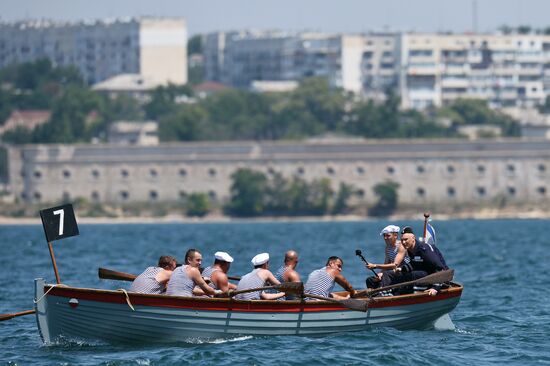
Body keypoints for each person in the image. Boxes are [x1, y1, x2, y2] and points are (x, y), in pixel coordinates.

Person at [380, 227, 448, 296]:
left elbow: (440, 268)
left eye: (406, 240)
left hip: (438, 279)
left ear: (413, 238)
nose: (403, 242)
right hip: (423, 274)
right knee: (389, 273)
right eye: (402, 240)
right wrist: (401, 269)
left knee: (414, 274)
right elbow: (414, 264)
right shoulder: (410, 249)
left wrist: (435, 288)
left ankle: (410, 294)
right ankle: (385, 293)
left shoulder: (424, 249)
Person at [365, 225, 410, 289]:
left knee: (387, 274)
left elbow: (395, 265)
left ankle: (383, 292)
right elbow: (386, 264)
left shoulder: (401, 246)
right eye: (384, 236)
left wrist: (375, 266)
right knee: (370, 280)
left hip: (405, 271)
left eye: (388, 235)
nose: (385, 238)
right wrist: (380, 274)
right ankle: (373, 294)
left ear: (395, 236)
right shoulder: (387, 248)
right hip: (394, 273)